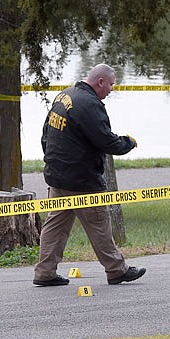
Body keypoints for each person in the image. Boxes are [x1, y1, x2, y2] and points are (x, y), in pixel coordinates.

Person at [33, 64, 146, 286]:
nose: (112, 89)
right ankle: (117, 269)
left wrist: (52, 162)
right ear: (100, 82)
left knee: (55, 226)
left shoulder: (65, 96)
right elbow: (105, 140)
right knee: (98, 223)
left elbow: (46, 134)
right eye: (111, 84)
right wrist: (128, 142)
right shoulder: (90, 105)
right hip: (81, 179)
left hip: (58, 176)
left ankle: (44, 272)